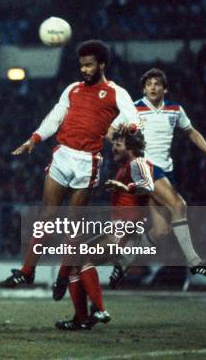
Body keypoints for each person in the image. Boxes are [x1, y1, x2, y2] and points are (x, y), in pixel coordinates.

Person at [1, 40, 141, 304]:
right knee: (49, 214)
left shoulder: (115, 92)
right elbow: (55, 116)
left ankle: (63, 275)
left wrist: (123, 127)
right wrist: (35, 138)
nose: (84, 70)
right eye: (82, 65)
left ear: (102, 65)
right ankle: (27, 270)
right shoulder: (73, 89)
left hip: (88, 161)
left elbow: (134, 118)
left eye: (89, 65)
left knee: (73, 224)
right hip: (62, 154)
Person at [109, 68, 206, 287]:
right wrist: (124, 145)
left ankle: (123, 262)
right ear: (143, 88)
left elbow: (191, 131)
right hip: (145, 167)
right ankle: (194, 261)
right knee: (179, 205)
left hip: (164, 171)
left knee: (160, 231)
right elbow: (110, 132)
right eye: (149, 84)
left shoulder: (175, 110)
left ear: (164, 88)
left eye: (157, 84)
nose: (153, 87)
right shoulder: (134, 109)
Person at [57, 127, 155, 330]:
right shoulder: (127, 165)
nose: (114, 148)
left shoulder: (138, 162)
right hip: (119, 229)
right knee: (76, 263)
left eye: (118, 144)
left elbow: (148, 185)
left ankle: (100, 310)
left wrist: (124, 188)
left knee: (82, 258)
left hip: (124, 231)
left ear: (131, 147)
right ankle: (81, 319)